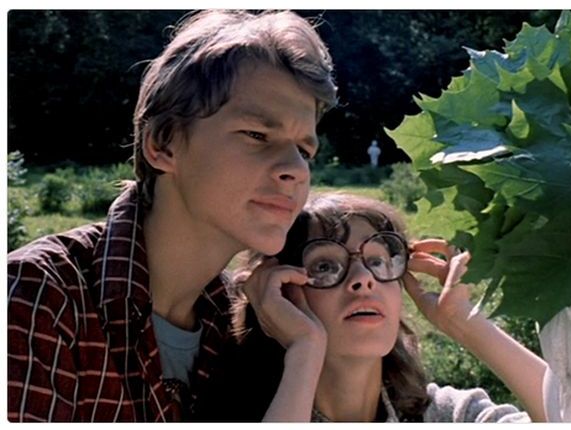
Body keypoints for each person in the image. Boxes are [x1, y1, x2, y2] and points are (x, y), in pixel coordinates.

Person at [7, 10, 337, 422]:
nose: (296, 169)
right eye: (257, 135)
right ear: (162, 144)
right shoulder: (36, 299)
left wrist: (307, 349)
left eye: (304, 150)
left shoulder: (246, 321)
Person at [219, 192, 555, 422]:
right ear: (280, 292)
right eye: (325, 266)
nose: (363, 279)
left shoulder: (444, 415)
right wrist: (305, 348)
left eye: (378, 261)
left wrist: (464, 322)